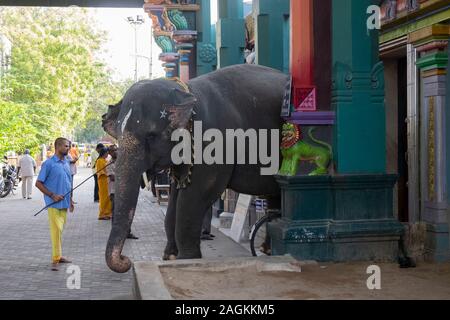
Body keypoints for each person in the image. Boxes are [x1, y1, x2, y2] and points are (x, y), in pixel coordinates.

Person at [35, 138, 74, 271]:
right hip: (53, 204)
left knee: (60, 231)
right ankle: (55, 259)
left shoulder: (66, 163)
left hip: (65, 202)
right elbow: (38, 183)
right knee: (56, 230)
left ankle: (59, 255)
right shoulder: (48, 164)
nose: (68, 148)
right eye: (65, 146)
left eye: (68, 146)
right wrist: (52, 195)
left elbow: (69, 182)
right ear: (57, 147)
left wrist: (71, 200)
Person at [107, 145, 138, 239]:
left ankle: (127, 232)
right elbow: (112, 177)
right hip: (114, 192)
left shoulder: (124, 161)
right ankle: (115, 234)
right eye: (113, 150)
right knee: (116, 213)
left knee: (127, 212)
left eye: (116, 150)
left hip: (125, 191)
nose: (115, 152)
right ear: (109, 153)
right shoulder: (109, 164)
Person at [96, 147, 112, 220]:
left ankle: (108, 213)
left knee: (108, 197)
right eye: (106, 153)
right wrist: (108, 174)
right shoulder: (99, 161)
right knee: (104, 198)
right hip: (102, 181)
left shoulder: (105, 160)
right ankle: (102, 214)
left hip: (107, 181)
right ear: (104, 153)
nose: (107, 154)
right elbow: (101, 171)